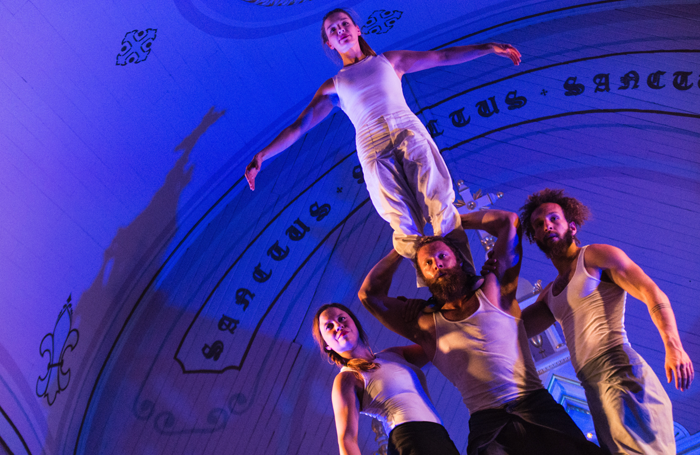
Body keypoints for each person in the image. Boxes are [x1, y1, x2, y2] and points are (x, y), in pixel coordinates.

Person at [245, 8, 521, 281]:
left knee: (439, 201)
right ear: (329, 43)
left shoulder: (389, 61)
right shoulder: (334, 86)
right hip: (372, 145)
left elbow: (442, 56)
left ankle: (467, 277)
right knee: (403, 221)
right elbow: (300, 126)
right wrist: (263, 155)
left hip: (405, 130)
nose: (340, 30)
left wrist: (487, 47)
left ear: (357, 29)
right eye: (333, 30)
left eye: (344, 24)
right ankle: (438, 288)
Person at [358, 210, 603, 455]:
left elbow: (508, 222)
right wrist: (403, 247)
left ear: (459, 260)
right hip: (489, 426)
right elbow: (368, 296)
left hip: (535, 405)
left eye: (443, 256)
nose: (438, 265)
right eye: (428, 264)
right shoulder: (424, 324)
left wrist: (447, 224)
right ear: (423, 276)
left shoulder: (495, 288)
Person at [514, 188, 694, 454]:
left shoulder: (593, 257)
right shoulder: (549, 295)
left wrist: (674, 346)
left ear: (572, 227)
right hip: (592, 385)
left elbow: (651, 291)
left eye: (554, 218)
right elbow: (508, 329)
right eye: (539, 224)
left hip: (618, 368)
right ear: (536, 237)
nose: (547, 225)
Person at [313, 303, 460, 455]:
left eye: (342, 318)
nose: (338, 325)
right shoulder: (347, 377)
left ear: (354, 323)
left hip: (439, 435)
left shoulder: (394, 354)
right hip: (409, 438)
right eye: (329, 326)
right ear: (326, 345)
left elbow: (440, 346)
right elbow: (347, 438)